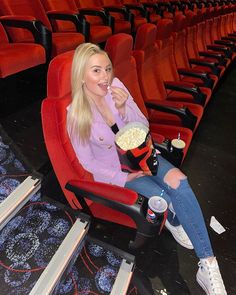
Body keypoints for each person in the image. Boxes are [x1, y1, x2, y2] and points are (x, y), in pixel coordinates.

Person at [67, 43, 227, 295]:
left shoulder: (116, 87)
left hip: (140, 154)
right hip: (117, 170)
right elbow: (89, 163)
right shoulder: (76, 114)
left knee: (180, 183)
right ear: (81, 75)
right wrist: (123, 176)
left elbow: (142, 123)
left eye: (107, 69)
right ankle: (174, 219)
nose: (105, 76)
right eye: (96, 71)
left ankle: (207, 264)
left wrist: (123, 109)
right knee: (163, 196)